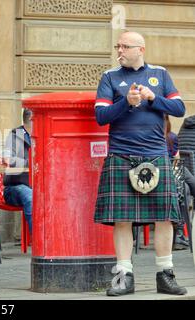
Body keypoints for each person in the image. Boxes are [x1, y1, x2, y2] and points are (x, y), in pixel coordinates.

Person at [94, 31, 187, 296]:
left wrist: (151, 98)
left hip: (156, 153)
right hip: (121, 154)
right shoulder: (110, 77)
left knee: (165, 218)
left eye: (125, 46)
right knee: (122, 219)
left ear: (140, 49)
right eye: (118, 46)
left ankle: (165, 275)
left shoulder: (160, 74)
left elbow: (179, 109)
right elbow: (101, 116)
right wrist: (126, 102)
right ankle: (124, 276)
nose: (119, 50)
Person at [2, 109, 32, 234]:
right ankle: (39, 242)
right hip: (15, 187)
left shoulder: (42, 135)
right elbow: (7, 159)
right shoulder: (16, 135)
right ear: (31, 119)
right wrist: (30, 162)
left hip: (38, 184)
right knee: (31, 197)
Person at [164, 115, 191, 250]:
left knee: (184, 186)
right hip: (168, 177)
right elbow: (176, 161)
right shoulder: (171, 137)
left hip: (149, 179)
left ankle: (179, 234)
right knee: (184, 185)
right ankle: (179, 234)